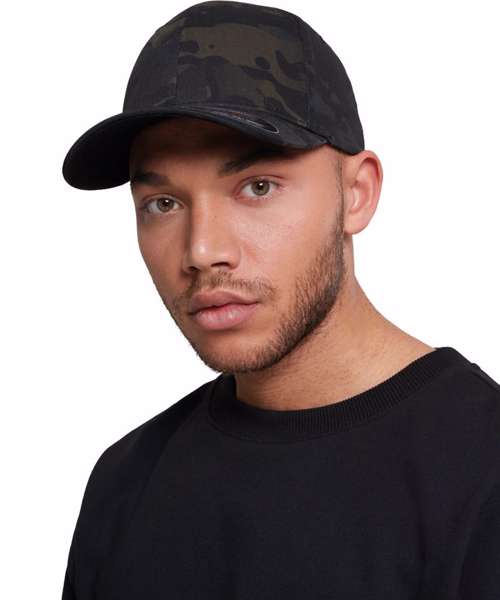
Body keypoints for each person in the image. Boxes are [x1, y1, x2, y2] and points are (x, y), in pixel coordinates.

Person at [61, 1, 500, 598]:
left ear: (357, 194)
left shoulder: (482, 469)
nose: (203, 250)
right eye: (163, 203)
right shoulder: (125, 482)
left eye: (257, 187)